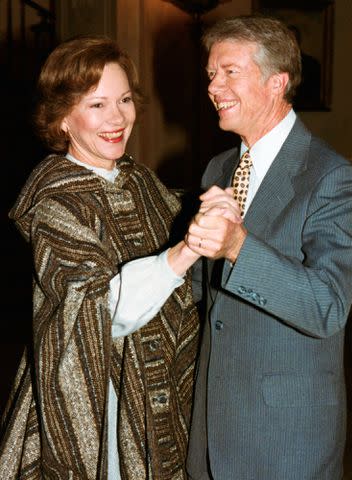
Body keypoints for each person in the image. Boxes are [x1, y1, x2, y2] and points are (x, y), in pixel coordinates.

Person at [0, 35, 203, 480]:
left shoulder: (138, 180)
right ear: (62, 120)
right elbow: (103, 309)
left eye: (125, 99)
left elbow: (180, 215)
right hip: (95, 404)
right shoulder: (56, 203)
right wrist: (186, 250)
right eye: (97, 105)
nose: (117, 118)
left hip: (155, 395)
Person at [185, 15, 352, 480]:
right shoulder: (218, 169)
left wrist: (239, 245)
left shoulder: (332, 178)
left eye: (229, 72)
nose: (213, 86)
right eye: (210, 74)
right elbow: (205, 297)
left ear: (276, 82)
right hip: (211, 428)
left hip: (286, 438)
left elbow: (328, 305)